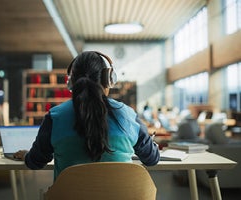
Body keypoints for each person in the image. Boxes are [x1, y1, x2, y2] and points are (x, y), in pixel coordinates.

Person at [14, 51, 160, 180]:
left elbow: (35, 162)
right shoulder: (127, 115)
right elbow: (152, 159)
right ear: (108, 79)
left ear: (71, 82)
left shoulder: (55, 116)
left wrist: (27, 155)